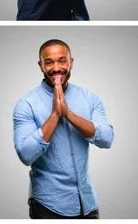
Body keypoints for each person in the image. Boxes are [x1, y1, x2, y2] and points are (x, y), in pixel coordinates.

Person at [13, 39, 113, 218]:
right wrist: (54, 115)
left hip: (87, 205)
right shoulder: (26, 104)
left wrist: (68, 114)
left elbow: (106, 139)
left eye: (62, 60)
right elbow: (25, 155)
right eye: (49, 62)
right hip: (47, 205)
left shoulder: (90, 99)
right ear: (40, 66)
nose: (56, 68)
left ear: (71, 62)